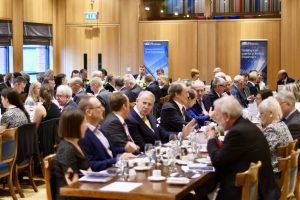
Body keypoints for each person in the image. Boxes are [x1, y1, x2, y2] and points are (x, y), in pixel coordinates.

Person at [205, 96, 280, 199]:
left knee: (201, 190)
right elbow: (229, 152)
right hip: (262, 187)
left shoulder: (237, 132)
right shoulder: (246, 125)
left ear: (227, 116)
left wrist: (211, 138)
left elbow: (217, 160)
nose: (216, 120)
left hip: (247, 192)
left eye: (217, 117)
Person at [79, 96, 136, 171]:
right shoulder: (82, 135)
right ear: (89, 112)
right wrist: (118, 159)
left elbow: (109, 152)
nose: (103, 109)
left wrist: (125, 149)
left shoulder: (100, 128)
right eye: (99, 107)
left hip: (113, 172)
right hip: (99, 178)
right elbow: (90, 165)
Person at [54, 109, 90, 200]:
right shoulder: (67, 150)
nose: (86, 126)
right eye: (84, 123)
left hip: (84, 191)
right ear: (75, 126)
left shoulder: (76, 144)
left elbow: (88, 171)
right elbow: (73, 185)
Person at [258, 97, 293, 173]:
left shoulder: (271, 129)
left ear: (270, 113)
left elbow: (261, 153)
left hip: (274, 174)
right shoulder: (282, 124)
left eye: (261, 113)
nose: (259, 116)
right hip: (284, 170)